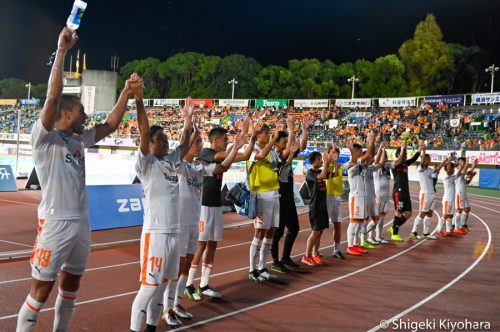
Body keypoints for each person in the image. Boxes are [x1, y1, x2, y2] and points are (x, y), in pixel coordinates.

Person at [17, 27, 140, 332]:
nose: (87, 117)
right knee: (40, 293)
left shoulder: (78, 140)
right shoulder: (44, 139)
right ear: (67, 114)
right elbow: (54, 95)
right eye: (82, 112)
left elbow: (111, 125)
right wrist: (62, 51)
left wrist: (125, 93)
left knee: (71, 288)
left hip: (82, 223)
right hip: (55, 224)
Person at [164, 120, 247, 322]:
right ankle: (167, 309)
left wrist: (237, 145)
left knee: (186, 266)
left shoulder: (199, 166)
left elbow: (223, 168)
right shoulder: (178, 165)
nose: (200, 146)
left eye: (201, 142)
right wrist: (187, 123)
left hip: (193, 223)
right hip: (180, 224)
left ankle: (176, 304)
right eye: (197, 143)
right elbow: (183, 145)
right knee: (178, 266)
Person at [129, 94, 193, 331]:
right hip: (155, 234)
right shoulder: (147, 164)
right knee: (148, 287)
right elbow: (144, 130)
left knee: (163, 285)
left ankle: (151, 328)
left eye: (167, 138)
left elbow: (184, 144)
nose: (166, 142)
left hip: (174, 234)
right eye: (160, 139)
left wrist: (187, 120)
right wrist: (138, 100)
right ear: (149, 143)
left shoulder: (170, 162)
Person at [185, 119, 260, 298]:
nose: (226, 142)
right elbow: (226, 157)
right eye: (225, 139)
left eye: (227, 140)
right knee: (201, 245)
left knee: (212, 245)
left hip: (215, 206)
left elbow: (245, 156)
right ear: (215, 141)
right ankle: (188, 284)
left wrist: (252, 138)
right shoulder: (207, 153)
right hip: (203, 206)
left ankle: (204, 284)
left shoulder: (221, 155)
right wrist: (237, 143)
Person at [271, 115, 310, 273]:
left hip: (288, 199)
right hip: (279, 199)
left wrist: (305, 130)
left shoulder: (286, 153)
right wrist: (291, 128)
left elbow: (302, 145)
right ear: (277, 144)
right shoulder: (277, 156)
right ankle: (275, 261)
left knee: (294, 228)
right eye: (283, 140)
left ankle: (285, 257)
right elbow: (290, 149)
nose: (286, 142)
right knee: (278, 232)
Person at [247, 124, 283, 282]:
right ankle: (252, 269)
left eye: (269, 133)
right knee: (259, 231)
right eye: (266, 133)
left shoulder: (273, 152)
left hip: (274, 192)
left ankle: (262, 266)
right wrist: (274, 139)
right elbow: (260, 156)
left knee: (272, 230)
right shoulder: (251, 149)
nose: (268, 135)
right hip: (260, 194)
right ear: (258, 134)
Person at [345, 132, 375, 256]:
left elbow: (370, 155)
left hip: (362, 196)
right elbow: (368, 154)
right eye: (359, 152)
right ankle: (350, 246)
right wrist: (371, 140)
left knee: (360, 222)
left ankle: (356, 244)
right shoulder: (351, 164)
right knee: (353, 222)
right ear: (355, 152)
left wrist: (372, 143)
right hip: (355, 196)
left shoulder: (361, 164)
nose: (361, 154)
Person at [303, 151, 335, 265]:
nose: (321, 161)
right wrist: (326, 163)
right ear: (313, 161)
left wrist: (333, 162)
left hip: (322, 205)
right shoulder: (310, 173)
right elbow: (321, 177)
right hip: (315, 206)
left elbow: (333, 175)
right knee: (315, 232)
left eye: (322, 159)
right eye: (319, 159)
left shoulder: (321, 171)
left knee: (320, 231)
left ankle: (315, 254)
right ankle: (306, 256)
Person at [410, 148, 448, 240]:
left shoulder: (429, 170)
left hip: (431, 194)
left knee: (430, 213)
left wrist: (444, 162)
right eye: (427, 159)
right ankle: (413, 231)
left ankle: (426, 233)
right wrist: (423, 151)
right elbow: (423, 162)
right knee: (422, 213)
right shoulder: (420, 169)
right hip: (425, 194)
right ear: (423, 160)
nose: (428, 161)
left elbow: (437, 170)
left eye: (429, 159)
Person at [387, 141, 421, 242]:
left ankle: (394, 228)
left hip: (406, 192)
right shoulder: (395, 165)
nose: (405, 156)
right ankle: (395, 234)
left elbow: (413, 159)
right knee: (399, 212)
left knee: (408, 213)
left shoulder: (405, 164)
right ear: (398, 155)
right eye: (404, 154)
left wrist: (420, 150)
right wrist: (402, 148)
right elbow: (400, 159)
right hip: (399, 192)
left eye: (406, 154)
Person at [325, 142, 346, 259]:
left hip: (337, 198)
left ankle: (336, 250)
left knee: (338, 224)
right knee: (322, 226)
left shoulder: (341, 166)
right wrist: (332, 150)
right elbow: (328, 161)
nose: (335, 155)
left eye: (337, 154)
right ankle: (314, 251)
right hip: (328, 197)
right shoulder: (327, 165)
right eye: (333, 153)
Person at [368, 142, 390, 244]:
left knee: (381, 219)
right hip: (378, 195)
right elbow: (376, 161)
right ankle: (368, 236)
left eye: (385, 157)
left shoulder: (387, 168)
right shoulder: (376, 167)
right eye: (382, 156)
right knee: (375, 218)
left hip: (386, 196)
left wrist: (384, 150)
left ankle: (378, 236)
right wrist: (381, 149)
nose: (383, 159)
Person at [454, 158, 479, 234]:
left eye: (463, 162)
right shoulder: (456, 171)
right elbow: (464, 171)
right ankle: (456, 227)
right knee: (459, 210)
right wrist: (468, 164)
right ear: (459, 163)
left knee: (467, 209)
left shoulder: (463, 172)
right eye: (462, 162)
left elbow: (467, 181)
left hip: (463, 194)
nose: (463, 163)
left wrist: (473, 166)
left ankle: (462, 225)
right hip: (459, 193)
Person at [437, 158, 456, 237]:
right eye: (453, 168)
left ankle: (448, 231)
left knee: (451, 215)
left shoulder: (453, 177)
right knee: (445, 215)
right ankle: (439, 229)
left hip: (452, 199)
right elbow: (448, 170)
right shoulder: (447, 176)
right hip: (447, 199)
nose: (454, 170)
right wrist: (449, 161)